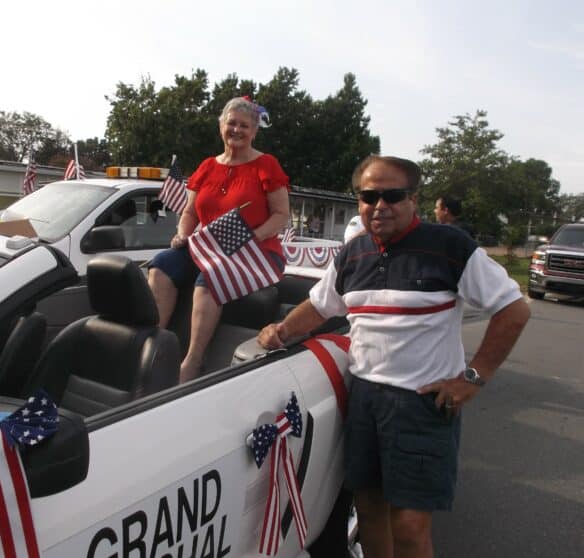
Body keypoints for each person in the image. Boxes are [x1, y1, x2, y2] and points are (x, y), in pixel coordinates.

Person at [258, 155, 530, 558]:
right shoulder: (353, 254)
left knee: (408, 526)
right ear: (359, 200)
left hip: (422, 404)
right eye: (369, 196)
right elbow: (321, 307)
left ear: (413, 199)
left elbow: (514, 308)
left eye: (392, 195)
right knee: (368, 512)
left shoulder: (450, 247)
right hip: (365, 398)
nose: (379, 205)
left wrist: (473, 377)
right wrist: (280, 332)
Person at [148, 97, 290, 383]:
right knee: (161, 264)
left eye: (244, 125)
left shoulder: (266, 165)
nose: (236, 130)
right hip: (211, 247)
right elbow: (189, 211)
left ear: (254, 131)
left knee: (210, 277)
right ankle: (155, 345)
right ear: (221, 126)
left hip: (257, 251)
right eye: (231, 123)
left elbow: (281, 215)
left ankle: (192, 361)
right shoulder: (207, 167)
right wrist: (182, 235)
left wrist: (252, 237)